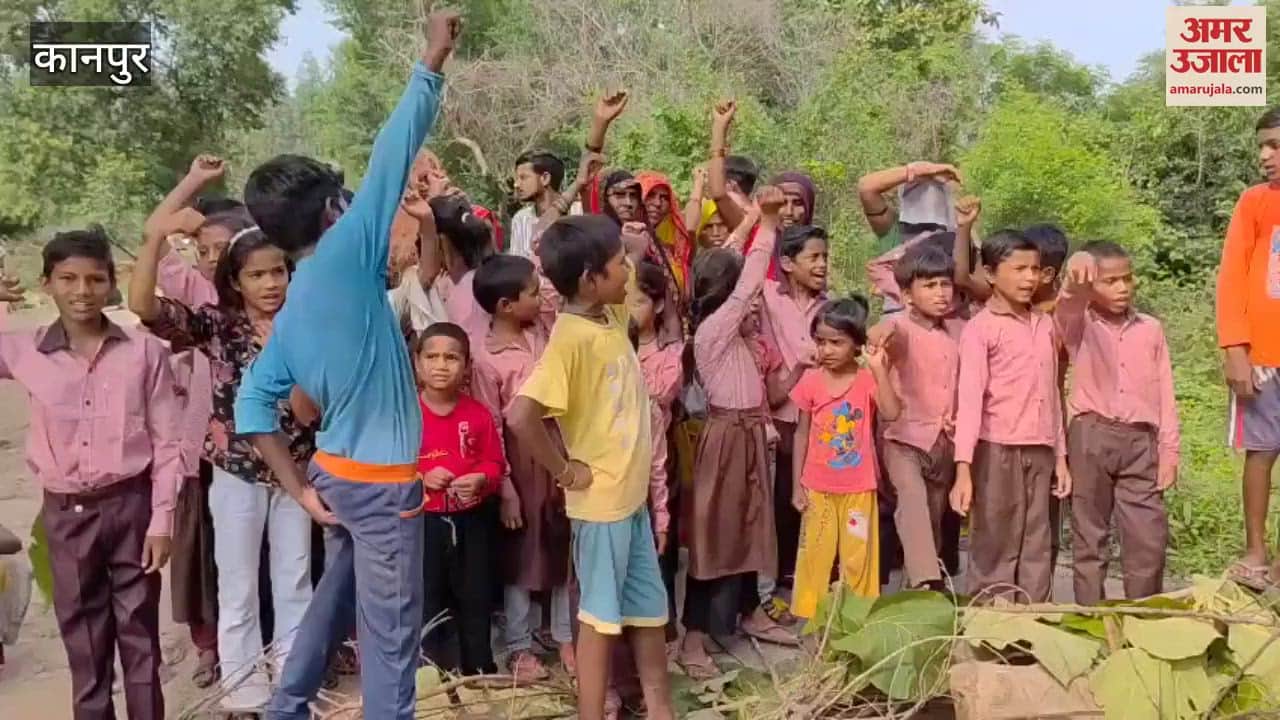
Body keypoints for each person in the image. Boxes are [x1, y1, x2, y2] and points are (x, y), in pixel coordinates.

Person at [233, 12, 460, 720]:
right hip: (386, 486)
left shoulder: (297, 304)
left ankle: (288, 703)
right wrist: (433, 56)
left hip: (336, 479)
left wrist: (300, 488)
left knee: (335, 602)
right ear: (334, 208)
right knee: (390, 641)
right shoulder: (348, 249)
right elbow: (395, 147)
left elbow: (250, 407)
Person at [130, 207, 316, 716]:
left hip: (296, 473)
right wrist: (154, 237)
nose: (270, 283)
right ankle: (244, 690)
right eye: (257, 274)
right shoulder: (216, 324)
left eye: (278, 271)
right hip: (235, 473)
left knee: (295, 578)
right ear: (235, 280)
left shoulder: (306, 324)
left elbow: (313, 405)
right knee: (237, 584)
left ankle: (294, 684)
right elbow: (144, 306)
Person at [0, 227, 180, 720]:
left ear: (111, 284)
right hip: (66, 517)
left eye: (95, 279)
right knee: (85, 644)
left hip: (132, 507)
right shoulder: (23, 351)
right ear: (47, 283)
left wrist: (162, 520)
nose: (82, 291)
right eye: (68, 279)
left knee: (140, 638)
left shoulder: (144, 353)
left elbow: (168, 442)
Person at [508, 215, 673, 720]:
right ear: (588, 279)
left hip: (631, 498)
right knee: (600, 619)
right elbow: (520, 415)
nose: (628, 269)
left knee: (648, 609)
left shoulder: (610, 313)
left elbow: (637, 246)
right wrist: (564, 469)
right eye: (617, 265)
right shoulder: (570, 338)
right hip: (601, 505)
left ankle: (660, 708)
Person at [680, 187, 795, 679]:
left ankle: (748, 612)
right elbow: (747, 281)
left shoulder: (737, 335)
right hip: (727, 438)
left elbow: (729, 262)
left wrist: (749, 222)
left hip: (749, 436)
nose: (749, 302)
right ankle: (693, 638)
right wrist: (767, 226)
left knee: (749, 528)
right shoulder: (713, 332)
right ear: (725, 295)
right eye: (740, 296)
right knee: (716, 538)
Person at [143, 154, 244, 689]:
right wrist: (192, 182)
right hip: (197, 448)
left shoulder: (264, 294)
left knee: (257, 558)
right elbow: (153, 238)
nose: (209, 260)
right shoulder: (193, 294)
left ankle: (254, 644)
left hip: (254, 451)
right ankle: (210, 648)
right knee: (200, 554)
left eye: (221, 250)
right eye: (202, 250)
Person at [949, 230, 1071, 603]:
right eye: (1018, 269)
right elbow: (969, 402)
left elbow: (1051, 394)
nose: (1029, 278)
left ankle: (1032, 631)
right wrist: (963, 468)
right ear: (989, 274)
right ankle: (990, 630)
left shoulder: (1046, 324)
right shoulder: (980, 329)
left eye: (1034, 269)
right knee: (994, 541)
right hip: (996, 448)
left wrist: (1061, 459)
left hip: (1041, 449)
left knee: (1037, 541)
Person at [469, 253, 575, 682]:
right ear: (504, 306)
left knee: (564, 543)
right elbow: (492, 423)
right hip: (519, 455)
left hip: (560, 445)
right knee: (522, 552)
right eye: (531, 292)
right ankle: (518, 643)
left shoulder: (544, 330)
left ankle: (566, 635)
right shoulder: (485, 356)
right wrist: (507, 487)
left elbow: (553, 285)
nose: (541, 296)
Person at [1056, 242, 1178, 603]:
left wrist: (1169, 449)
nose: (1122, 287)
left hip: (1141, 441)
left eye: (1126, 279)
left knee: (1148, 537)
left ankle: (1144, 618)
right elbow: (1067, 305)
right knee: (1089, 535)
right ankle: (1091, 618)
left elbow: (1165, 391)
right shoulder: (1079, 324)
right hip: (1091, 434)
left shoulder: (1150, 329)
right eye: (1110, 281)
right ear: (1092, 284)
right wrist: (1076, 271)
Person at [790, 296, 901, 617]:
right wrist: (798, 486)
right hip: (817, 490)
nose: (826, 350)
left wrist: (879, 370)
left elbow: (892, 412)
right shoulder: (810, 382)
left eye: (836, 342)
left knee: (858, 556)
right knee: (816, 555)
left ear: (856, 344)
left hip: (858, 491)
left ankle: (857, 618)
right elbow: (801, 434)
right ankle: (813, 622)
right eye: (820, 342)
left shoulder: (867, 381)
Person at [869, 243, 965, 590]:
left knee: (934, 520)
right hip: (903, 438)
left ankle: (918, 593)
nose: (941, 294)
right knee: (912, 502)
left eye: (945, 285)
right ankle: (928, 580)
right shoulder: (900, 327)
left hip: (943, 442)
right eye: (930, 286)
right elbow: (889, 335)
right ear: (907, 294)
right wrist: (879, 334)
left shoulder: (957, 333)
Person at [413, 322, 504, 676]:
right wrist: (421, 475)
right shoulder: (405, 414)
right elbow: (390, 466)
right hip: (423, 521)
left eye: (451, 358)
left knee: (475, 596)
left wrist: (481, 478)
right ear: (418, 363)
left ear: (466, 366)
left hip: (472, 520)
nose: (441, 365)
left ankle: (478, 670)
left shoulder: (477, 414)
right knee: (426, 598)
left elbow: (495, 462)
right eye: (432, 357)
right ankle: (429, 675)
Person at [754, 222, 828, 619]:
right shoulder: (767, 297)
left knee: (807, 500)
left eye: (825, 258)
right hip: (775, 410)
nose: (822, 265)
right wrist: (762, 219)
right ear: (786, 262)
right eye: (813, 257)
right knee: (776, 499)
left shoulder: (830, 308)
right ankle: (773, 589)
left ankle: (807, 586)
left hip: (816, 421)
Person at [1220, 107, 1280, 590]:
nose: (1265, 156)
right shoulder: (1255, 203)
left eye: (1275, 146)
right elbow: (1233, 278)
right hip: (1263, 357)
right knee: (1260, 453)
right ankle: (1256, 551)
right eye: (1262, 146)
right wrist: (1234, 348)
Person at [629, 260, 684, 638]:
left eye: (639, 301)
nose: (630, 310)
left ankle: (663, 627)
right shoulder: (615, 347)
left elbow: (659, 396)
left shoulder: (672, 353)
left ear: (659, 305)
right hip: (624, 462)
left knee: (659, 538)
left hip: (659, 456)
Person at [510, 151, 576, 259]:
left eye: (523, 177)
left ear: (545, 178)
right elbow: (517, 266)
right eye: (517, 179)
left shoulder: (577, 212)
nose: (516, 184)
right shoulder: (521, 219)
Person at [637, 171, 695, 294]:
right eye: (650, 195)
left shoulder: (668, 249)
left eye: (664, 198)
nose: (658, 203)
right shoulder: (622, 239)